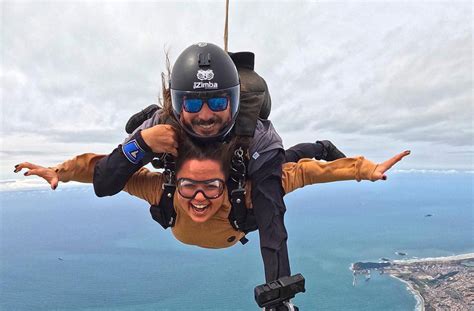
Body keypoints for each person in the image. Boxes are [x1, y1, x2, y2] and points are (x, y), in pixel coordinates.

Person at [90, 42, 345, 284]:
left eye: (217, 102)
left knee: (281, 165)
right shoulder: (159, 127)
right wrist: (143, 143)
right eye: (191, 103)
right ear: (177, 104)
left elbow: (271, 216)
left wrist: (279, 292)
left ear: (233, 102)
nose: (205, 115)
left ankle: (322, 147)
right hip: (194, 152)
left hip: (243, 166)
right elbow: (103, 183)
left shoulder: (258, 137)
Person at [14, 139, 410, 249]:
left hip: (252, 183)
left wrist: (364, 170)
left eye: (211, 186)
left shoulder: (249, 193)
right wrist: (59, 172)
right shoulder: (162, 190)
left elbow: (304, 174)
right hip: (224, 219)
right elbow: (102, 170)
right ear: (174, 182)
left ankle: (320, 142)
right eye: (189, 185)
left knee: (286, 160)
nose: (199, 197)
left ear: (229, 186)